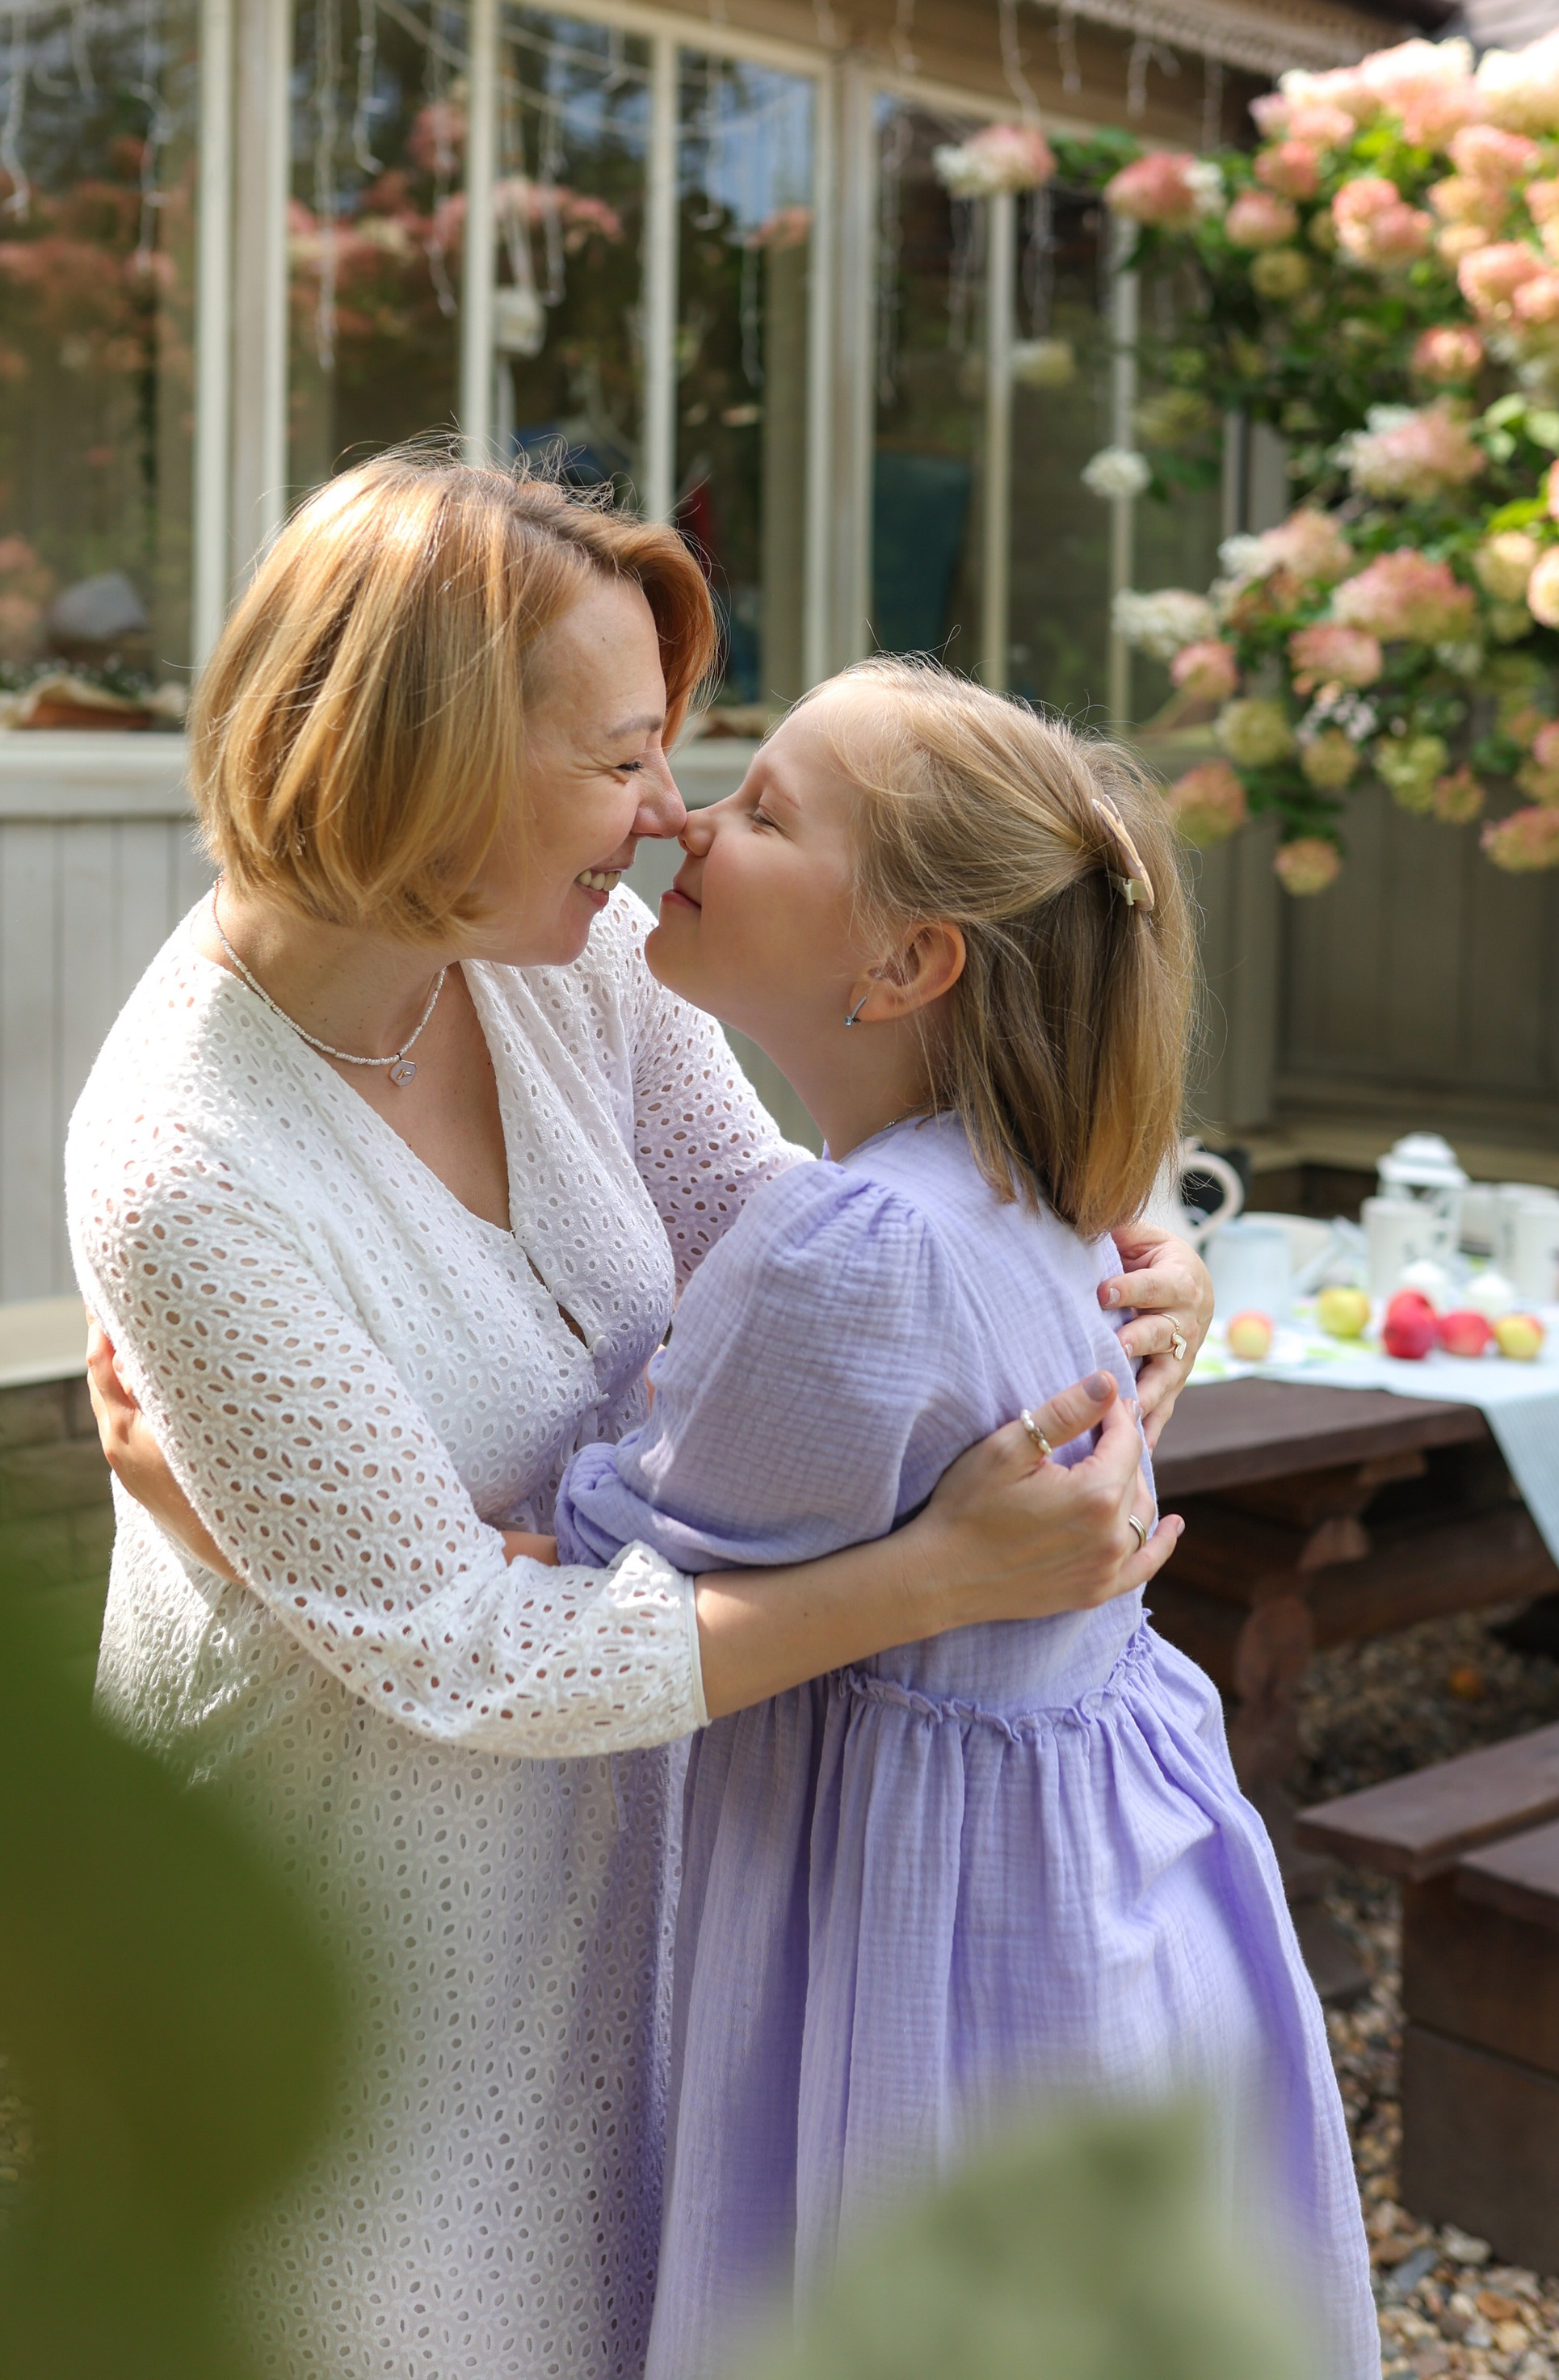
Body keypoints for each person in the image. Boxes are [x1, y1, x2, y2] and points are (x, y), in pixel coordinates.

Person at [69, 452, 1213, 2380]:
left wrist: (1132, 1253)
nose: (666, 812)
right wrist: (933, 1578)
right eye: (618, 758)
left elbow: (810, 1259)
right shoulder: (187, 1165)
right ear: (423, 763)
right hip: (337, 1888)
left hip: (638, 1808)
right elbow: (463, 1650)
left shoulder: (569, 963)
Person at [552, 659, 1376, 2380]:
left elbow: (610, 1578)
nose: (690, 818)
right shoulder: (1055, 1193)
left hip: (915, 1911)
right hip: (1103, 1876)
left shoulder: (850, 1255)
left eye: (763, 810)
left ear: (905, 961)